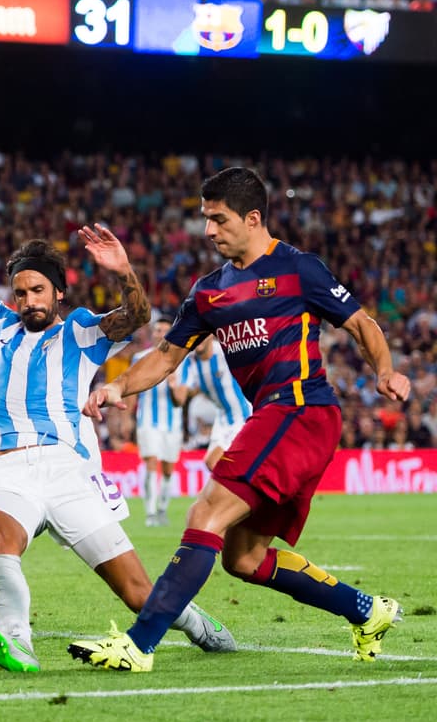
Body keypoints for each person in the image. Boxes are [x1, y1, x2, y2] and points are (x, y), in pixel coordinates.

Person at [69, 167, 408, 672]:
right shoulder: (209, 291)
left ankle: (139, 645)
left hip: (300, 410)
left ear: (252, 218)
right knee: (242, 559)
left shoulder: (298, 268)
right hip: (274, 418)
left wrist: (385, 369)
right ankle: (367, 611)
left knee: (204, 514)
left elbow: (361, 323)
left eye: (218, 219)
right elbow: (165, 355)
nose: (208, 230)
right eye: (205, 219)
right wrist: (118, 384)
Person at [0, 188, 234, 674]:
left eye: (37, 290)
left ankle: (194, 624)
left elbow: (138, 317)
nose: (27, 301)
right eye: (20, 292)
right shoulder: (1, 326)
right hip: (5, 469)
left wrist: (124, 272)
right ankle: (17, 641)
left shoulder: (80, 332)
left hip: (65, 471)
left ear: (58, 293)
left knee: (136, 592)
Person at [129, 318, 190, 527]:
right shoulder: (139, 357)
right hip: (146, 421)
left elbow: (181, 400)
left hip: (172, 425)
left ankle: (162, 509)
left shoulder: (182, 361)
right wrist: (126, 418)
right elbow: (131, 391)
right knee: (151, 463)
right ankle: (150, 513)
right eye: (157, 330)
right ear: (152, 333)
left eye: (165, 330)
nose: (160, 334)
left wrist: (173, 386)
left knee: (167, 470)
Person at [181, 334, 253, 472]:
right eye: (195, 337)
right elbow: (180, 398)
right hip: (222, 417)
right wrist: (173, 384)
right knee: (211, 463)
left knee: (214, 461)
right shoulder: (190, 362)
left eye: (202, 336)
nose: (198, 340)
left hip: (242, 415)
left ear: (210, 336)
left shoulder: (225, 352)